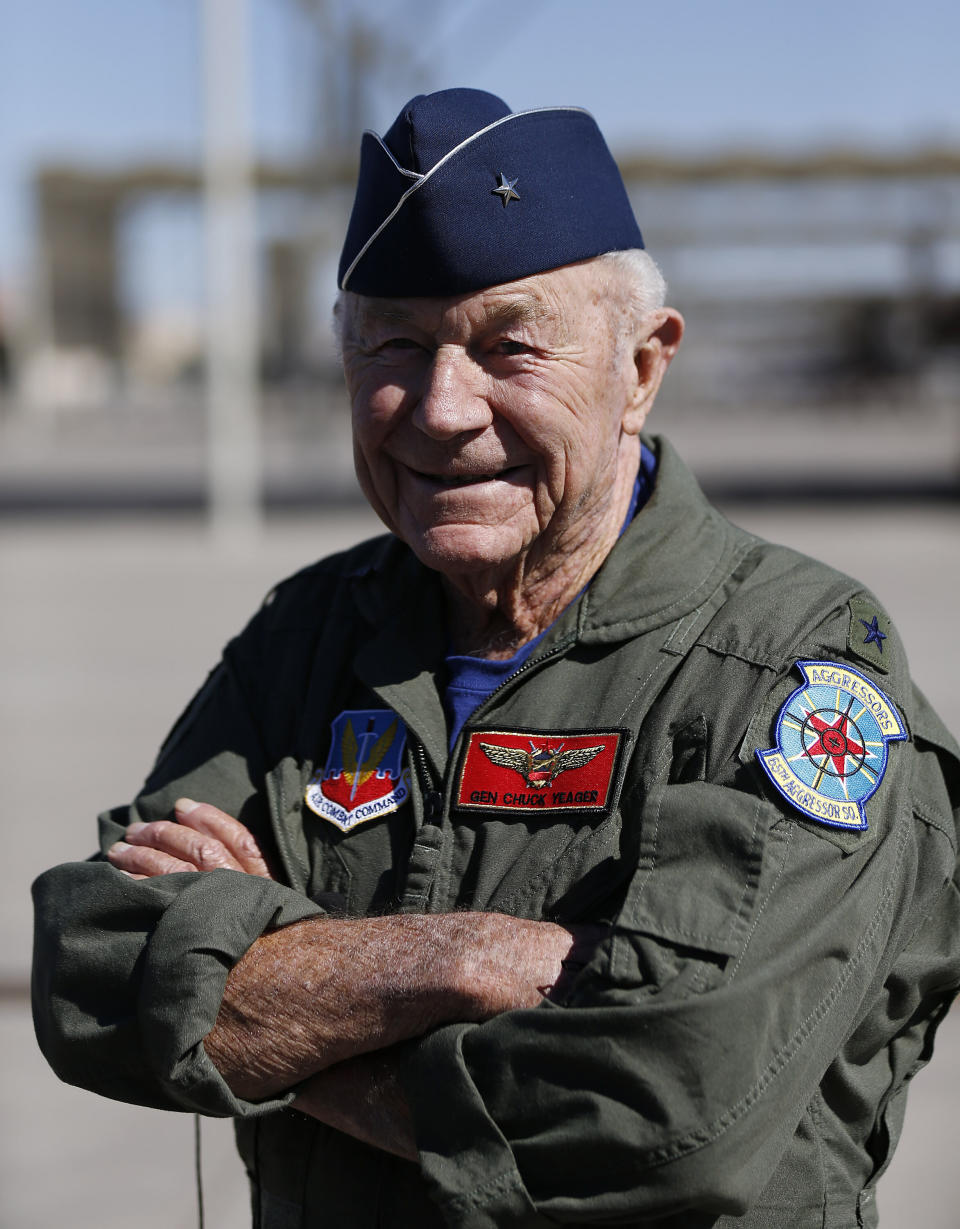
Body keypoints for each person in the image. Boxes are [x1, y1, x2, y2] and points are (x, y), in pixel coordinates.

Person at [32, 88, 960, 1229]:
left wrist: (275, 1020)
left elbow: (667, 1109)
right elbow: (93, 966)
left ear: (643, 368)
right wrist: (461, 955)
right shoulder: (314, 633)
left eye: (509, 345)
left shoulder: (791, 670)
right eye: (396, 345)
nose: (442, 407)